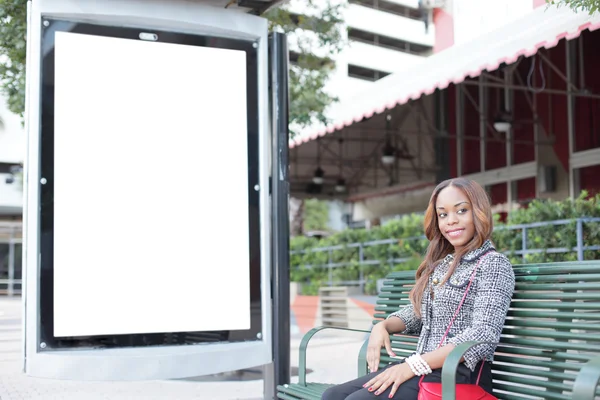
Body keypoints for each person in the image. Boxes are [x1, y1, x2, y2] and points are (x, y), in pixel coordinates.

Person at [322, 178, 515, 400]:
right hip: (425, 369)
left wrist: (413, 366)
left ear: (479, 212)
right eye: (443, 214)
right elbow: (419, 314)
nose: (451, 221)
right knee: (332, 395)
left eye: (461, 211)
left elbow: (484, 334)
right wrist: (382, 326)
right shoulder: (445, 264)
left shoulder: (493, 264)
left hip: (459, 374)